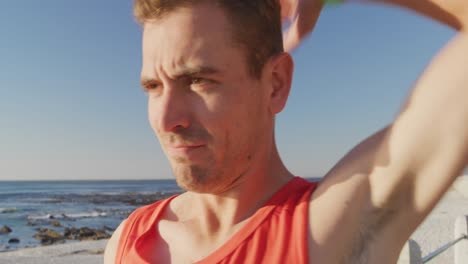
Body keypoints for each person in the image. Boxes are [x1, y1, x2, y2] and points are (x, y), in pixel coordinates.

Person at [105, 0, 468, 263]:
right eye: (153, 86)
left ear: (275, 84)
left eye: (198, 80)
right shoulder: (127, 240)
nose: (167, 119)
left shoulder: (332, 231)